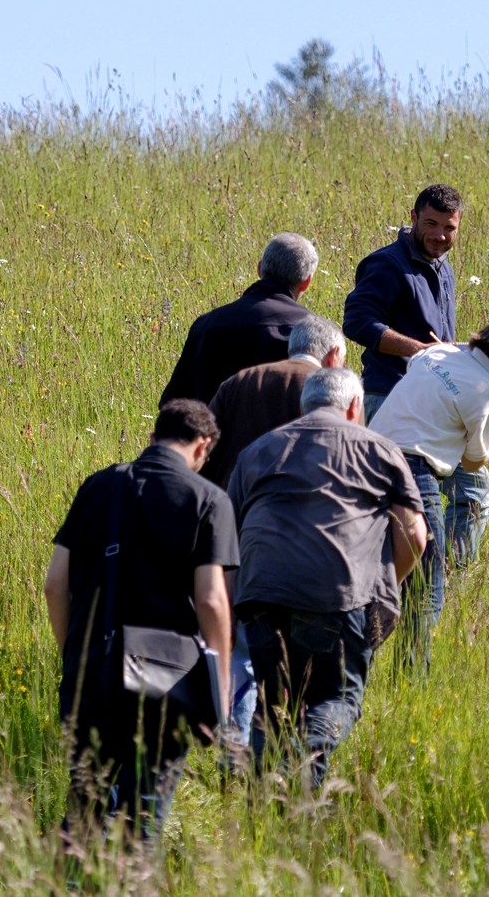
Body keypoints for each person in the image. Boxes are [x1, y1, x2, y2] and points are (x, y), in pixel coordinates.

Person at [43, 400, 236, 843]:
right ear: (203, 448)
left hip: (91, 674)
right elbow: (210, 599)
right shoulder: (209, 500)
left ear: (152, 439)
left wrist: (73, 654)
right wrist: (220, 684)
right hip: (163, 687)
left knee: (84, 813)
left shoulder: (98, 487)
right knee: (141, 821)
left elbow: (56, 584)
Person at [226, 367, 427, 790]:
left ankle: (265, 802)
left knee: (274, 701)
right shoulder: (381, 450)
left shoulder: (259, 450)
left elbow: (227, 537)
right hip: (337, 595)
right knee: (335, 698)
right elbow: (414, 534)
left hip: (260, 595)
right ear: (356, 407)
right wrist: (382, 583)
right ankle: (304, 771)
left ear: (303, 407)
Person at [199, 314, 346, 750]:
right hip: (314, 545)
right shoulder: (334, 397)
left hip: (239, 531)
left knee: (241, 651)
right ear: (334, 354)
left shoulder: (239, 382)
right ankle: (290, 753)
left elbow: (208, 453)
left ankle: (234, 752)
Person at [368, 315, 489, 669]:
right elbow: (475, 460)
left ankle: (352, 657)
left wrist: (453, 349)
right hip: (414, 473)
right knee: (426, 587)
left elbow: (422, 360)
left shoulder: (437, 355)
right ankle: (410, 678)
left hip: (366, 458)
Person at [342, 184, 489, 568]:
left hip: (433, 407)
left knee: (472, 490)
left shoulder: (443, 267)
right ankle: (421, 582)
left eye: (449, 228)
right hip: (391, 399)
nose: (440, 235)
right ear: (412, 218)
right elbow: (357, 321)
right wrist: (417, 350)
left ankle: (441, 574)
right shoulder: (386, 264)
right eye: (431, 224)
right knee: (394, 505)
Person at [160, 232, 318, 406]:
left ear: (259, 269)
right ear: (306, 282)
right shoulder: (313, 332)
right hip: (285, 433)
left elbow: (175, 404)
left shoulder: (206, 325)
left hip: (213, 432)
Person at [200, 314, 346, 488]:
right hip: (305, 502)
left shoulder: (238, 381)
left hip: (237, 497)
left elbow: (204, 442)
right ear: (334, 353)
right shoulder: (335, 389)